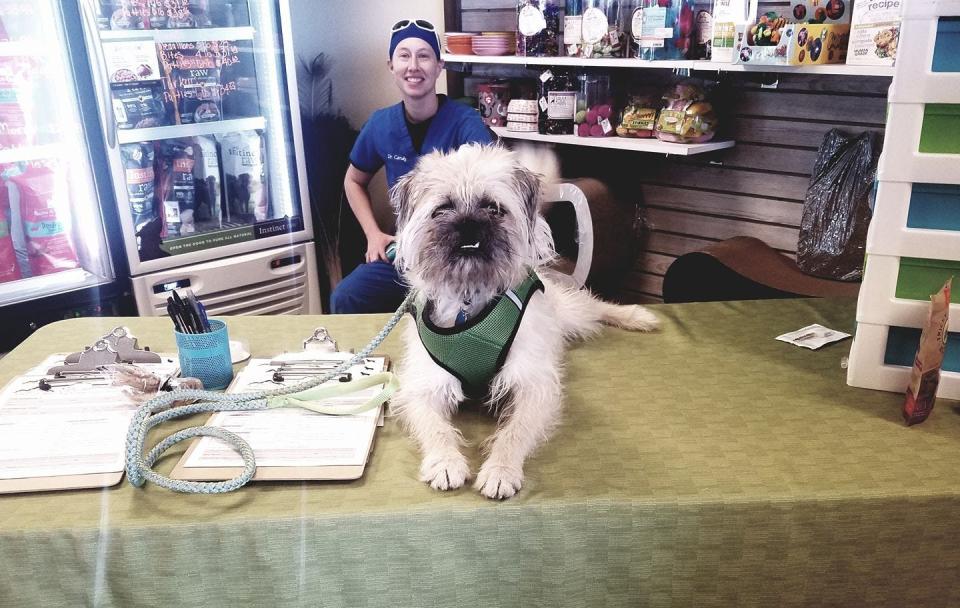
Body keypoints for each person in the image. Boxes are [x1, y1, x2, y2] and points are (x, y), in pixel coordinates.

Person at [330, 18, 494, 314]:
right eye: (404, 55)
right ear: (391, 66)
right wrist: (372, 233)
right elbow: (353, 181)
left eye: (424, 56)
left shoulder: (464, 122)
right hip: (407, 256)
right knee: (346, 296)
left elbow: (491, 175)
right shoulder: (381, 124)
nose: (413, 66)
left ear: (439, 65)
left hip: (457, 253)